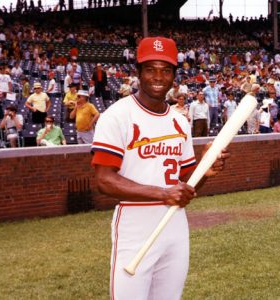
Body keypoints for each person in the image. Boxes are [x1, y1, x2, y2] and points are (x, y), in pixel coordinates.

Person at [91, 36, 229, 300]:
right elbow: (104, 180)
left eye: (166, 70)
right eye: (150, 69)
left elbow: (186, 184)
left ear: (174, 75)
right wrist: (162, 194)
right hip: (135, 222)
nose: (158, 77)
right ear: (138, 72)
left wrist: (205, 170)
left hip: (175, 224)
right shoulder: (118, 115)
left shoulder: (179, 121)